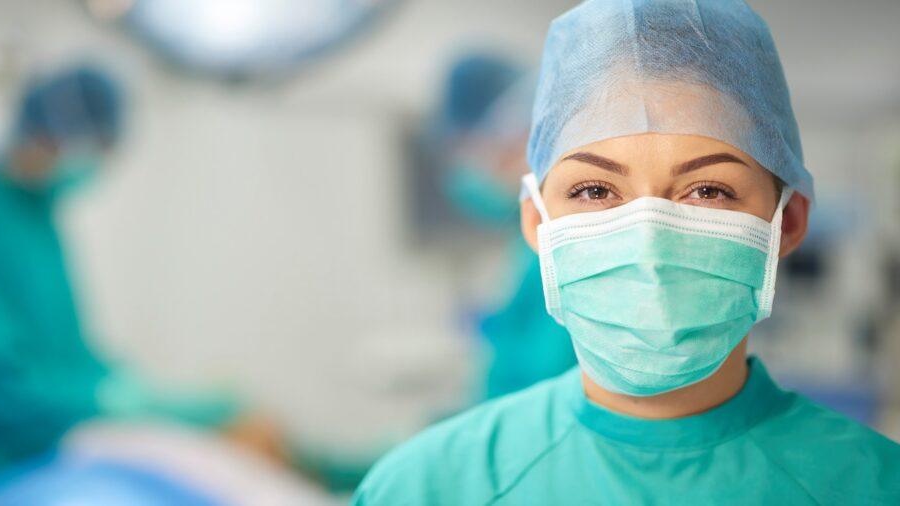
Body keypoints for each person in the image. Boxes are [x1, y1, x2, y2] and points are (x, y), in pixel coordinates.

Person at [353, 1, 900, 504]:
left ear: (788, 223)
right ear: (535, 223)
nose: (649, 237)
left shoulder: (873, 486)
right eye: (595, 191)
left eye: (708, 190)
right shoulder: (426, 488)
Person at [0, 65, 276, 505]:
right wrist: (107, 400)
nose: (97, 164)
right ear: (54, 134)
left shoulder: (39, 220)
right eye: (98, 147)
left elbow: (67, 352)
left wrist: (130, 390)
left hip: (50, 467)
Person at [434, 53, 577, 400]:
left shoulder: (563, 249)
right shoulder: (528, 239)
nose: (472, 172)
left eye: (475, 150)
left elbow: (535, 404)